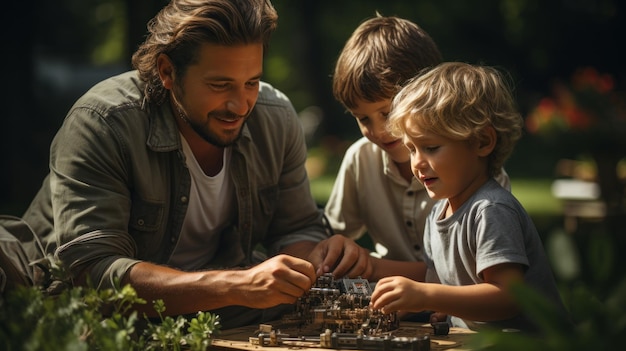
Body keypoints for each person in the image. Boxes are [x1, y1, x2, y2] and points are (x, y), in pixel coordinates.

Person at [18, 0, 369, 329]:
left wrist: (316, 258)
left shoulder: (275, 118)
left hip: (214, 311)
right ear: (167, 71)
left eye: (252, 82)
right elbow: (92, 273)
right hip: (71, 313)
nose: (240, 105)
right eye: (220, 85)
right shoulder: (103, 123)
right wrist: (235, 284)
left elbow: (296, 229)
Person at [370, 62, 571, 333]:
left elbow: (508, 298)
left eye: (430, 147)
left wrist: (427, 296)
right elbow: (446, 289)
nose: (417, 163)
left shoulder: (491, 210)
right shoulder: (436, 215)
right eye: (412, 149)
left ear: (481, 142)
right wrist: (416, 304)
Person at [324, 14, 510, 282]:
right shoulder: (361, 157)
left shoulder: (470, 168)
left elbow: (472, 278)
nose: (377, 131)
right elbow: (334, 233)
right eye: (363, 118)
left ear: (427, 95)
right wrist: (339, 250)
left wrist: (374, 267)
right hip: (395, 304)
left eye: (387, 113)